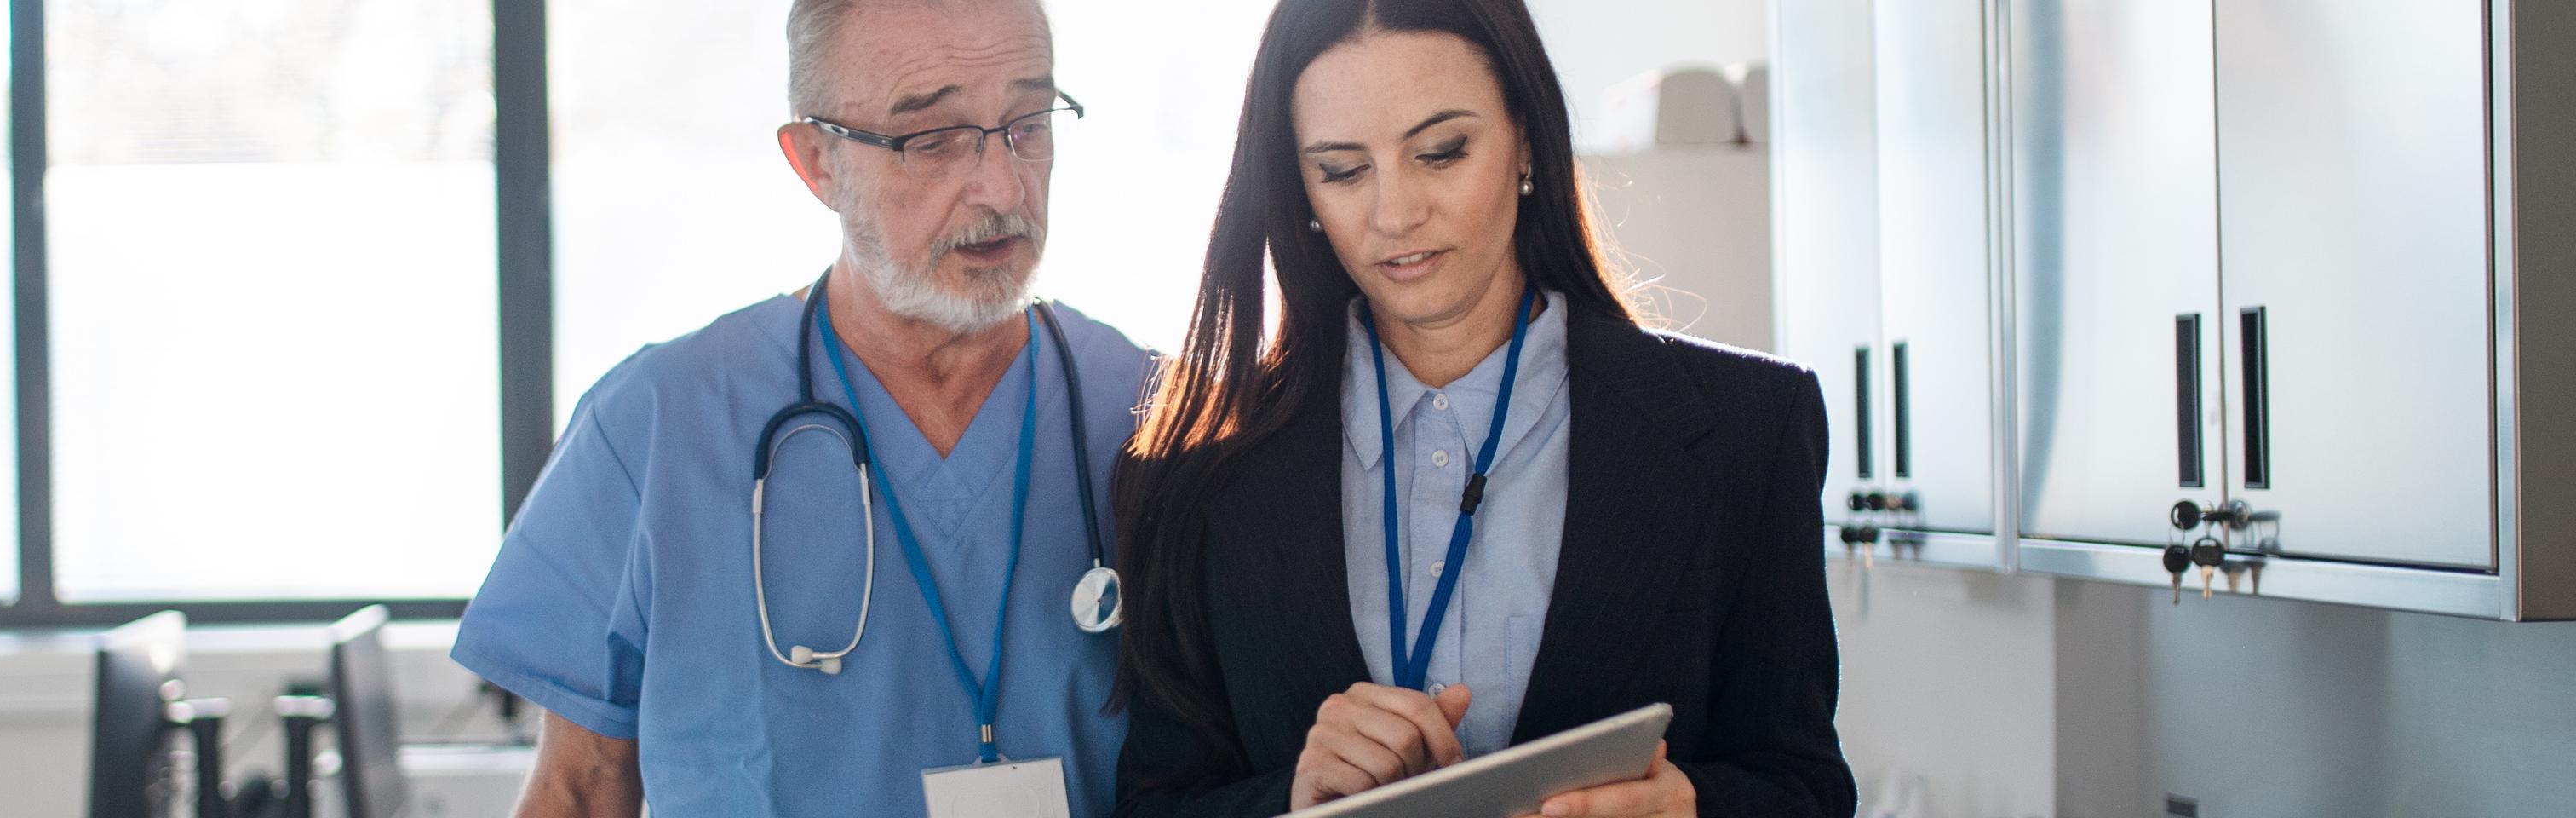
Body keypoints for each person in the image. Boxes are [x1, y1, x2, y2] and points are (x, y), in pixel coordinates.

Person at [1104, 0, 1853, 815]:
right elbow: (1154, 802)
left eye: (1440, 152)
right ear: (1298, 188)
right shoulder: (1192, 468)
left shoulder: (1751, 430)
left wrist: (1689, 808)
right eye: (1343, 170)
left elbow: (1804, 786)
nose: (1395, 216)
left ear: (1527, 136)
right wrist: (1294, 798)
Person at [450, 1, 1150, 815]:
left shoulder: (1160, 417)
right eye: (931, 139)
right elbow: (580, 789)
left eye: (1028, 122)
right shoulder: (658, 425)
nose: (1001, 185)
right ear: (817, 161)